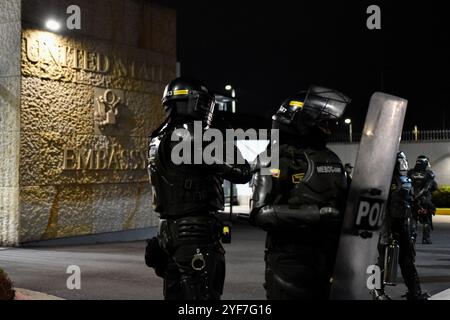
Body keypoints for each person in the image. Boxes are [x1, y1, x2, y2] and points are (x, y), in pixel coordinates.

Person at [145, 77, 252, 300]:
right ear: (196, 103)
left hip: (167, 231)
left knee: (176, 295)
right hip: (194, 233)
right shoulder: (193, 136)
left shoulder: (157, 137)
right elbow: (241, 172)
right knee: (202, 299)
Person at [249, 85, 351, 299]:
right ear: (304, 119)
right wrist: (318, 214)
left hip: (330, 258)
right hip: (290, 262)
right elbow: (260, 214)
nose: (330, 128)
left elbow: (348, 203)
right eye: (325, 122)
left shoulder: (331, 158)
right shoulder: (272, 157)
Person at [373, 152, 428, 300]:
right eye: (400, 160)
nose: (404, 163)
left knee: (407, 261)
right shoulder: (385, 180)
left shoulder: (406, 179)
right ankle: (377, 292)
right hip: (389, 224)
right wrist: (386, 231)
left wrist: (419, 211)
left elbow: (410, 201)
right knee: (384, 260)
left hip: (403, 225)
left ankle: (415, 292)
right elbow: (382, 206)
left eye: (404, 160)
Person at [408, 155, 438, 244]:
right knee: (426, 220)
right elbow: (433, 187)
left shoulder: (410, 173)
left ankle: (412, 238)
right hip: (425, 201)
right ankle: (426, 238)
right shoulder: (429, 174)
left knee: (413, 218)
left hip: (412, 200)